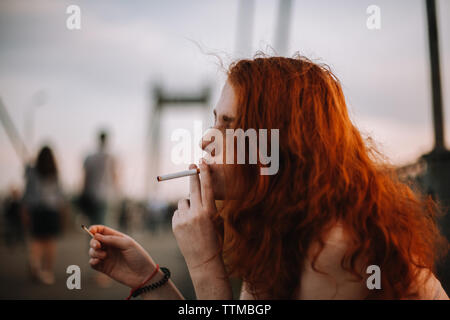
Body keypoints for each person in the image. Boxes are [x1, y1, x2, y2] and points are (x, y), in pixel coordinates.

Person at [87, 55, 449, 299]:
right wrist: (150, 280)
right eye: (214, 121)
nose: (205, 139)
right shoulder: (274, 224)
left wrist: (203, 264)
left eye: (229, 126)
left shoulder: (336, 248)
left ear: (277, 145)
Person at [22, 146, 65, 285]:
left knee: (36, 240)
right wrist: (62, 214)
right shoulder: (55, 172)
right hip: (52, 211)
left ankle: (35, 265)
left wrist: (25, 212)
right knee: (49, 242)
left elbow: (27, 194)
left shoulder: (32, 171)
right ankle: (47, 271)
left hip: (37, 210)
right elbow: (60, 196)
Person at [81, 130, 118, 226]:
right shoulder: (110, 157)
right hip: (106, 195)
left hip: (92, 194)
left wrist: (84, 192)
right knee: (104, 224)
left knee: (93, 224)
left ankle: (93, 241)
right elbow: (114, 177)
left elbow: (86, 177)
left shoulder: (90, 157)